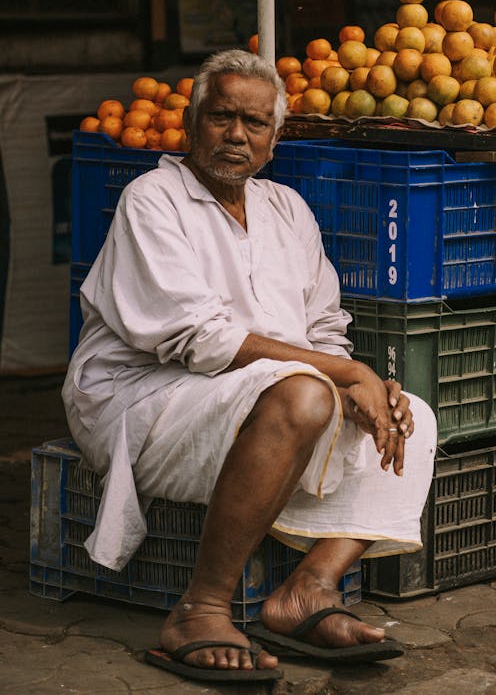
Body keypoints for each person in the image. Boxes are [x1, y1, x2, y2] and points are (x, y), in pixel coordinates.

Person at [62, 49, 437, 683]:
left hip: (262, 394)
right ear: (191, 121)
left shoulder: (287, 209)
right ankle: (200, 608)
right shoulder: (152, 199)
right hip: (143, 399)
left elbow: (323, 329)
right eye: (222, 117)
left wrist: (360, 383)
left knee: (411, 417)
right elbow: (201, 340)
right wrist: (341, 377)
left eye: (254, 124)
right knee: (305, 396)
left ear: (273, 139)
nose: (237, 135)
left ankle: (307, 591)